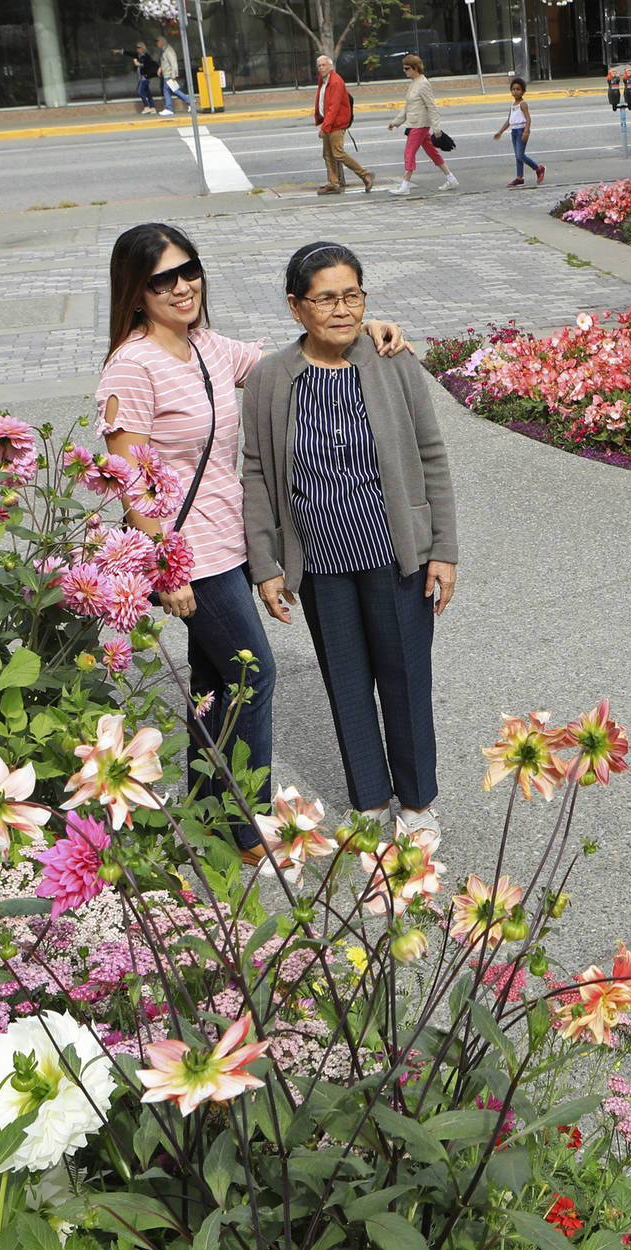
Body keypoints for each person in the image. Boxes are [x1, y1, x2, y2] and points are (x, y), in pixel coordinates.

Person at [96, 224, 411, 863]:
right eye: (163, 280)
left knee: (215, 685)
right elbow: (132, 480)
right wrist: (165, 568)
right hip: (188, 553)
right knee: (252, 672)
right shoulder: (132, 366)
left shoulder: (208, 346)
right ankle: (247, 828)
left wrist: (365, 326)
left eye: (190, 272)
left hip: (229, 539)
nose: (182, 287)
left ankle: (209, 822)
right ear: (136, 291)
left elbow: (287, 362)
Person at [241, 242, 458, 843]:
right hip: (322, 561)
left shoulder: (395, 363)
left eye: (353, 295)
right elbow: (256, 472)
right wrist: (266, 563)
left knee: (406, 677)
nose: (342, 309)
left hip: (397, 554)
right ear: (296, 306)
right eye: (326, 298)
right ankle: (369, 798)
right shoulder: (270, 378)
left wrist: (444, 549)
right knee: (346, 679)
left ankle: (416, 804)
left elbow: (431, 456)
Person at [387, 55, 456, 195]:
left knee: (409, 152)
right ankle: (450, 178)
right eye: (404, 68)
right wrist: (395, 122)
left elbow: (431, 106)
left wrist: (436, 128)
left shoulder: (423, 83)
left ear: (415, 68)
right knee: (432, 152)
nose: (404, 71)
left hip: (420, 125)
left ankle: (405, 185)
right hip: (414, 124)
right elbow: (408, 106)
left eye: (407, 68)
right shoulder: (414, 82)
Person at [313, 55, 373, 195]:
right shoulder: (323, 80)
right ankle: (333, 184)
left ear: (330, 66)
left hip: (337, 123)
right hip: (329, 122)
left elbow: (333, 108)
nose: (321, 68)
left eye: (324, 65)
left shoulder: (335, 81)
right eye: (319, 65)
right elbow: (324, 102)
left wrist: (325, 127)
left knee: (338, 153)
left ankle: (365, 175)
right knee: (327, 154)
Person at [492, 77, 545, 188]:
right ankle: (520, 178)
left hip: (522, 131)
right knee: (517, 156)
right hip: (514, 132)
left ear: (523, 91)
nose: (515, 91)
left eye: (518, 89)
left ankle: (538, 168)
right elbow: (509, 120)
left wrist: (526, 131)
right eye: (513, 89)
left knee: (520, 155)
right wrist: (500, 132)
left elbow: (528, 119)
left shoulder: (523, 104)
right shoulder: (512, 105)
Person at [156, 35, 194, 117]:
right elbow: (164, 62)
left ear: (162, 42)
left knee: (168, 91)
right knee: (173, 90)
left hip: (169, 75)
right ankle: (190, 102)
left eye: (158, 41)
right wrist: (160, 68)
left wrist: (173, 74)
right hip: (167, 74)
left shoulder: (168, 51)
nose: (157, 44)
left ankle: (169, 108)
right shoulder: (164, 51)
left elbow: (173, 63)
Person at [132, 42, 157, 116]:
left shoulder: (146, 56)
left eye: (139, 47)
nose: (137, 49)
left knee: (140, 91)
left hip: (145, 77)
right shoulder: (139, 56)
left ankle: (146, 106)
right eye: (137, 47)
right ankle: (153, 107)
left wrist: (139, 64)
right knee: (147, 93)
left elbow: (148, 65)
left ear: (143, 48)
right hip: (141, 77)